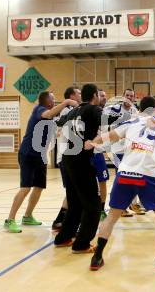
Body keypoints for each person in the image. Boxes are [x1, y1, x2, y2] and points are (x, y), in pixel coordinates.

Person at [86, 96, 155, 272]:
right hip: (147, 174)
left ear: (140, 108)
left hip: (125, 172)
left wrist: (92, 142)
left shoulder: (130, 122)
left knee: (112, 216)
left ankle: (97, 257)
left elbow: (109, 136)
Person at [4, 91, 78, 233]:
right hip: (28, 154)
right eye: (53, 98)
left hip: (40, 155)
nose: (55, 100)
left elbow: (53, 124)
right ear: (47, 101)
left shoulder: (50, 115)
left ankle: (27, 216)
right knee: (26, 188)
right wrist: (67, 102)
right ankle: (10, 219)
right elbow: (48, 115)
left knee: (38, 187)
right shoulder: (40, 109)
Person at [53, 84, 103, 253]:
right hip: (81, 161)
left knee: (75, 204)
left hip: (67, 160)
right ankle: (81, 244)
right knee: (93, 204)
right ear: (95, 95)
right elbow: (109, 123)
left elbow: (58, 124)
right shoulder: (93, 110)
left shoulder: (72, 112)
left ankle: (63, 238)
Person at [103, 88, 145, 216]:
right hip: (116, 149)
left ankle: (133, 203)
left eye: (131, 96)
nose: (129, 98)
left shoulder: (134, 111)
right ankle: (117, 206)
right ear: (123, 97)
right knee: (121, 178)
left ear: (134, 98)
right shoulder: (113, 109)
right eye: (127, 95)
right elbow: (102, 119)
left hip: (130, 149)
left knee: (134, 176)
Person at [52, 86, 82, 231]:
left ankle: (61, 221)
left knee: (73, 192)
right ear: (71, 96)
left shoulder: (70, 110)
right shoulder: (67, 110)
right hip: (66, 158)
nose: (80, 95)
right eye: (79, 93)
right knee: (75, 193)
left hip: (70, 157)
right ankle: (66, 223)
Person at [92, 89, 110, 221]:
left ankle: (102, 208)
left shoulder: (106, 113)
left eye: (105, 96)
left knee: (103, 181)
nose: (104, 98)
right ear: (96, 97)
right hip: (88, 154)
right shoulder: (90, 110)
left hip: (99, 154)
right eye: (101, 96)